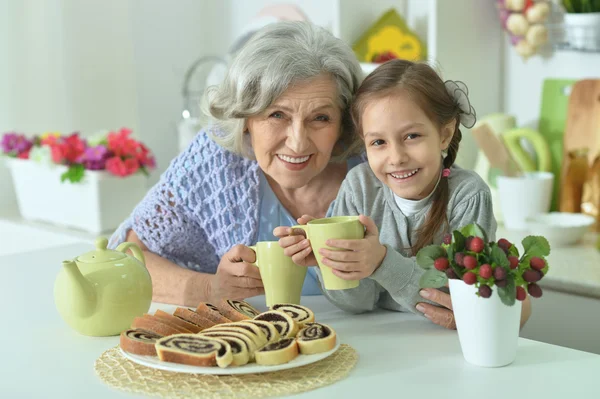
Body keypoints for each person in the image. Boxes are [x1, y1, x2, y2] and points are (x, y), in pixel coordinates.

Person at [108, 21, 365, 307]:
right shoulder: (216, 160)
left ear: (343, 122)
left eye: (320, 118)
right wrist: (209, 289)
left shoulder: (375, 163)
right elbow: (126, 256)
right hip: (255, 344)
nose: (297, 143)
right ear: (244, 120)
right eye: (277, 115)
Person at [276, 59, 532, 329]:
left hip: (449, 346)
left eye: (411, 136)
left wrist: (382, 263)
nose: (396, 157)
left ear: (445, 134)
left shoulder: (468, 195)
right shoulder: (359, 187)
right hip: (386, 342)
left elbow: (462, 301)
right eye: (378, 142)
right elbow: (358, 304)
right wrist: (331, 264)